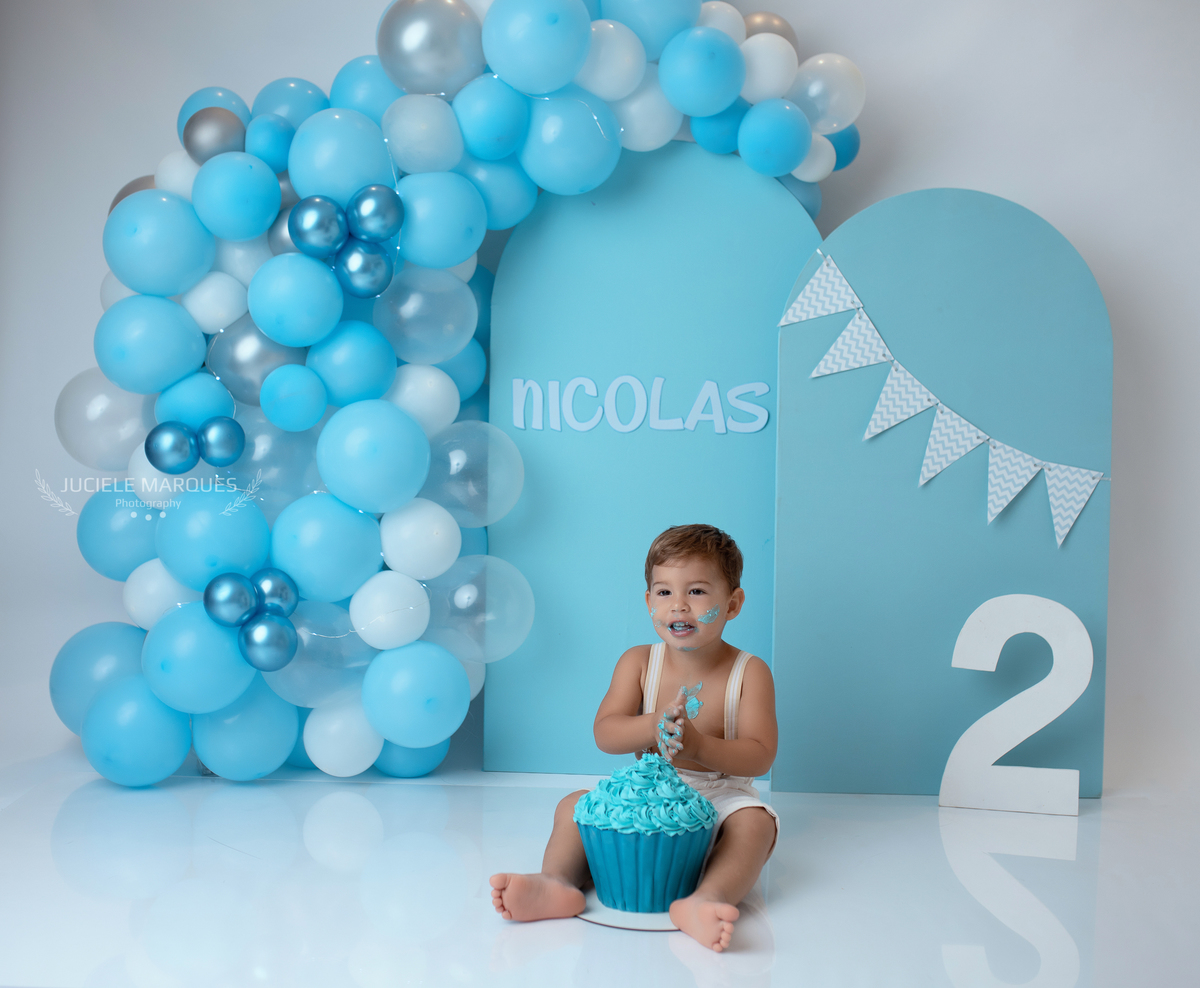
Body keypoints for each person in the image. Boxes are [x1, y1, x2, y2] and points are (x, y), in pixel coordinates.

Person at [489, 524, 779, 952]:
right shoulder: (639, 662)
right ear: (648, 602)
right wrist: (651, 725)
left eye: (697, 592)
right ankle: (557, 882)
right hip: (647, 793)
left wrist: (699, 747)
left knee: (755, 823)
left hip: (721, 796)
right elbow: (605, 733)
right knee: (574, 805)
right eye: (664, 592)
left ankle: (706, 898)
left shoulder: (749, 672)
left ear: (732, 604)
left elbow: (760, 755)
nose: (679, 605)